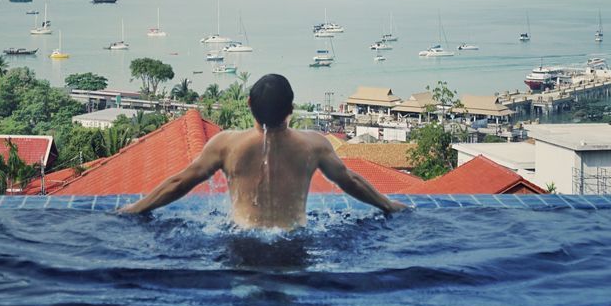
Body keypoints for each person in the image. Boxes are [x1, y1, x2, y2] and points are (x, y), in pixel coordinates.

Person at [119, 73, 409, 228]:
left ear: (248, 105)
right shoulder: (314, 145)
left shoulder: (226, 145)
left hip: (242, 240)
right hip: (294, 242)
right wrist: (389, 205)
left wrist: (137, 208)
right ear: (291, 109)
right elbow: (351, 181)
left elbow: (180, 181)